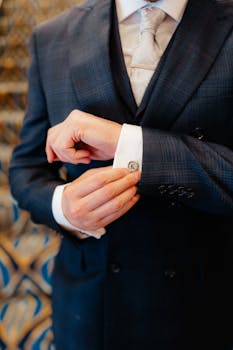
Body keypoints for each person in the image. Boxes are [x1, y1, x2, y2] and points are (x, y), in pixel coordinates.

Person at [9, 0, 233, 349]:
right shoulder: (51, 37)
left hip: (211, 306)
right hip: (91, 308)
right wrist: (62, 207)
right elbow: (27, 168)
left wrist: (129, 144)